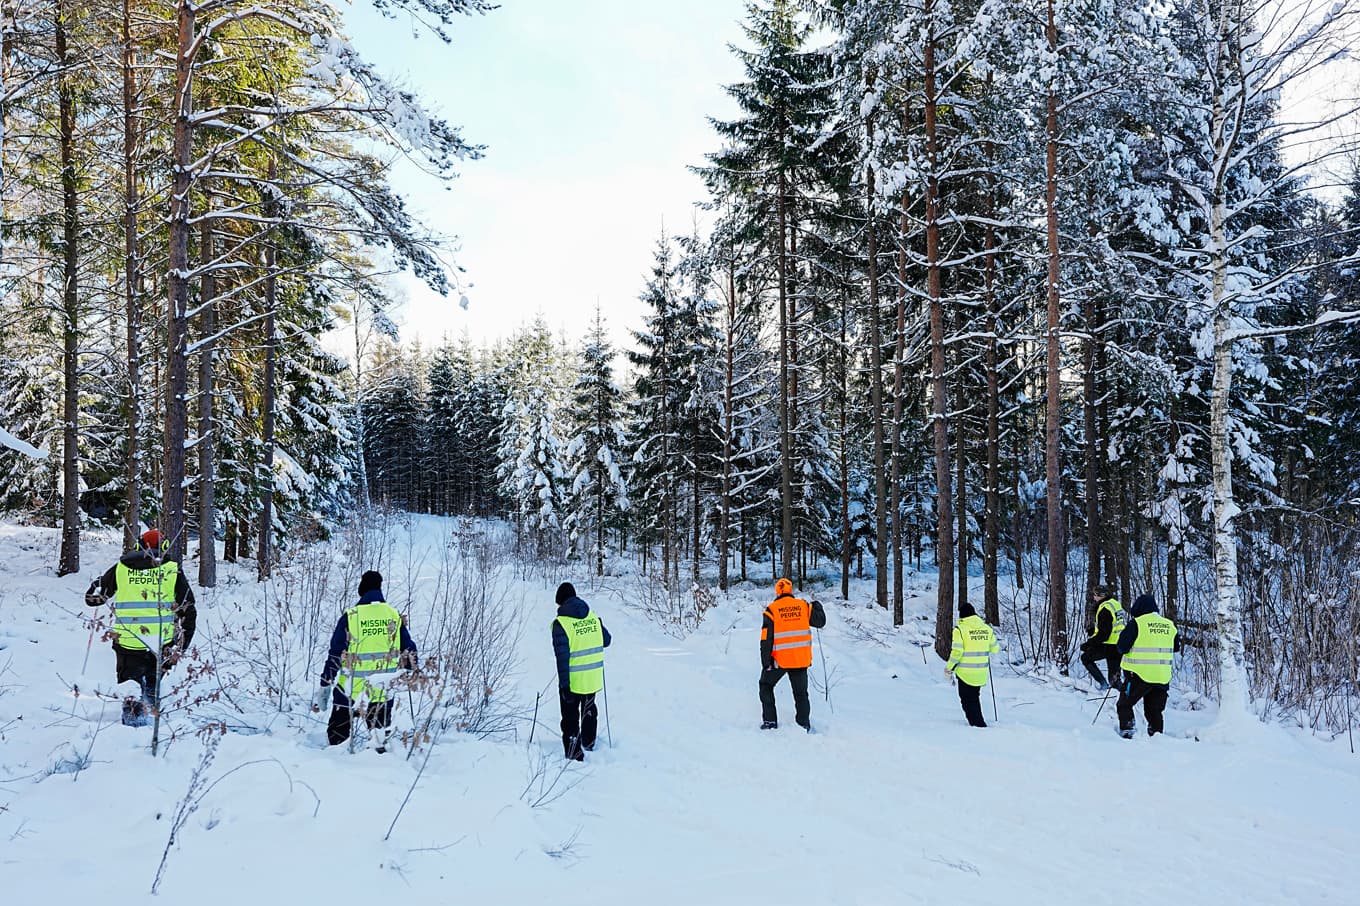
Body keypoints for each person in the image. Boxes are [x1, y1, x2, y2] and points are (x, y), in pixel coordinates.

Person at [85, 529, 197, 726]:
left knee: (131, 692)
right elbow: (189, 611)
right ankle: (151, 730)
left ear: (138, 546)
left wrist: (99, 585)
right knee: (152, 689)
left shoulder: (121, 568)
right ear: (164, 547)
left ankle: (132, 729)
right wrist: (181, 647)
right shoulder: (171, 570)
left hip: (128, 644)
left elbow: (92, 599)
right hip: (161, 644)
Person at [315, 570, 417, 750]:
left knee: (336, 742)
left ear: (361, 589)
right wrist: (412, 673)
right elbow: (409, 650)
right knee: (379, 742)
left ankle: (336, 762)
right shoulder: (393, 615)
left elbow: (335, 654)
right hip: (382, 690)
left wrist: (326, 683)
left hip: (349, 691)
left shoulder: (351, 616)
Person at [552, 582, 611, 761]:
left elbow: (562, 659)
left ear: (561, 601)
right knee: (589, 710)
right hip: (592, 677)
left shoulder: (561, 624)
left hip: (573, 680)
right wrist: (599, 625)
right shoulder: (592, 617)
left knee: (570, 718)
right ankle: (589, 742)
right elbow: (607, 640)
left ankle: (574, 754)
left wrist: (564, 686)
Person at [759, 577, 826, 732]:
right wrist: (817, 605)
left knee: (766, 686)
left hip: (780, 660)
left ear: (777, 592)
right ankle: (803, 724)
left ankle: (770, 722)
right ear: (791, 590)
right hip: (800, 659)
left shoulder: (771, 610)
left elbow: (766, 639)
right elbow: (820, 622)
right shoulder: (803, 606)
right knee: (801, 694)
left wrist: (766, 662)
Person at [1115, 593, 1181, 738]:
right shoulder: (1169, 625)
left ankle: (1127, 733)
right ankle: (1157, 737)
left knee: (1124, 705)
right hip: (1162, 677)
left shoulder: (1136, 623)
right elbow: (1176, 647)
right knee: (1154, 711)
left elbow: (1121, 647)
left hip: (1138, 675)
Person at [944, 602, 1000, 728]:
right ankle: (978, 722)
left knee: (967, 700)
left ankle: (978, 725)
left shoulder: (960, 630)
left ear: (962, 616)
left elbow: (957, 652)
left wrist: (949, 668)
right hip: (981, 672)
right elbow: (995, 649)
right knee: (974, 697)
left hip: (965, 673)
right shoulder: (987, 629)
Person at [1078, 585, 1126, 691]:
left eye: (1095, 595)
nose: (1094, 598)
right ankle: (1120, 693)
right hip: (1119, 643)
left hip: (1109, 645)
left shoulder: (1104, 609)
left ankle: (1103, 684)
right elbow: (1113, 625)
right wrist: (1094, 631)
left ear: (1099, 596)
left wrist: (1088, 644)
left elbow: (1104, 634)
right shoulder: (1115, 604)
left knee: (1086, 658)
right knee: (1114, 677)